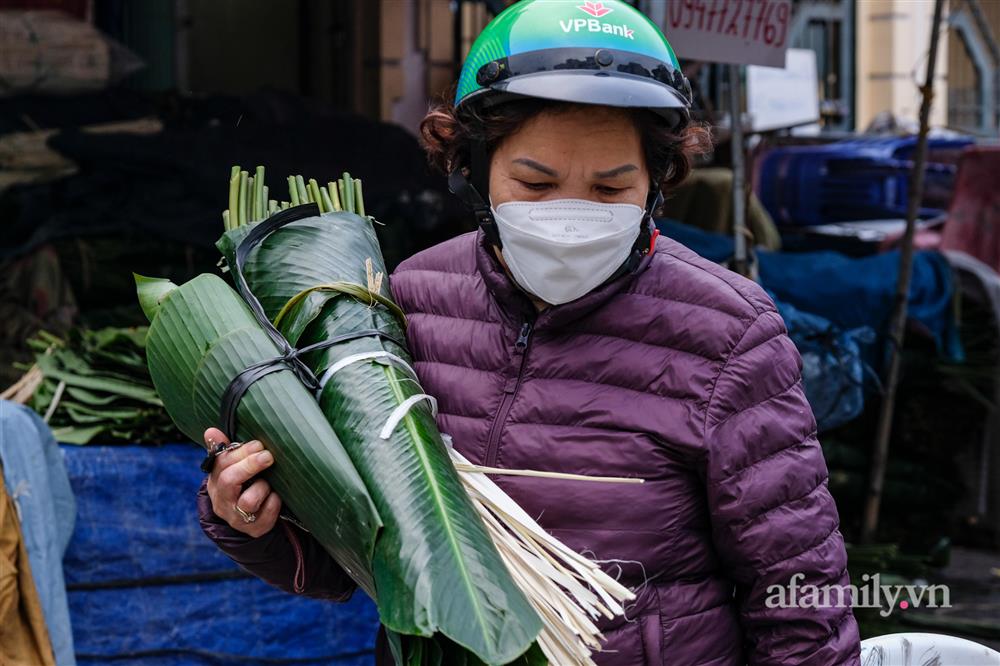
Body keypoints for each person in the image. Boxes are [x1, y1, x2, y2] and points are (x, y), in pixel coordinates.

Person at [198, 1, 861, 664]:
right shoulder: (406, 302)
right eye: (536, 182)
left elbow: (800, 602)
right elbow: (362, 557)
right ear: (477, 169)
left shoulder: (730, 335)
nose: (569, 214)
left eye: (609, 188)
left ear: (657, 183)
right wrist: (257, 521)